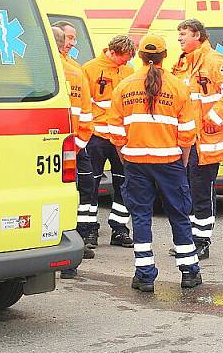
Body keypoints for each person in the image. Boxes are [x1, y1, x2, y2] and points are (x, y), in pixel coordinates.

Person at [106, 34, 200, 292]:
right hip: (169, 162)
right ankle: (189, 271)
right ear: (164, 56)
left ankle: (144, 275)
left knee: (140, 218)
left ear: (140, 56)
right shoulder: (178, 86)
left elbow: (115, 131)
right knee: (179, 215)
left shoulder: (124, 86)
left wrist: (126, 156)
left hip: (136, 162)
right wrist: (182, 160)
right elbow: (187, 132)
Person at [171, 19, 223, 259]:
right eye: (179, 34)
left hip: (206, 141)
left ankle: (202, 241)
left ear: (198, 35)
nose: (180, 38)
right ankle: (190, 239)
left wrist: (214, 116)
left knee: (202, 191)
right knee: (189, 191)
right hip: (187, 140)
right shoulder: (182, 63)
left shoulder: (213, 61)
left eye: (184, 34)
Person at [81, 35, 136, 248]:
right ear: (112, 52)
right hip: (96, 136)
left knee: (124, 182)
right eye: (123, 58)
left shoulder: (128, 71)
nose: (125, 62)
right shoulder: (90, 69)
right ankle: (88, 230)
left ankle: (120, 229)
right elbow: (85, 103)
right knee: (90, 183)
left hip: (121, 138)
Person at [51, 26, 95, 278]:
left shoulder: (37, 67)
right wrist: (75, 148)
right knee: (72, 196)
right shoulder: (76, 73)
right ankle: (69, 262)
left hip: (36, 146)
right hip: (71, 147)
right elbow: (86, 118)